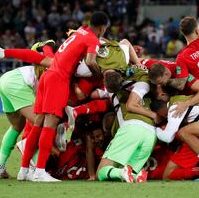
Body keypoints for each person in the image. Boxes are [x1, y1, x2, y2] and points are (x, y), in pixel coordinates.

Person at [18, 11, 109, 182]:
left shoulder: (80, 31)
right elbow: (90, 61)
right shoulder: (93, 39)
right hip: (59, 79)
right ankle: (39, 171)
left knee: (38, 123)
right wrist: (99, 75)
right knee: (50, 124)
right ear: (102, 28)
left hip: (47, 75)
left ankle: (23, 170)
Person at [96, 70, 157, 183]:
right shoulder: (142, 88)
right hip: (151, 134)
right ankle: (136, 175)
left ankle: (123, 173)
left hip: (132, 127)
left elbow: (89, 94)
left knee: (101, 172)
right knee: (126, 174)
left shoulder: (112, 90)